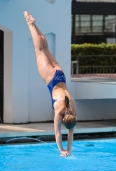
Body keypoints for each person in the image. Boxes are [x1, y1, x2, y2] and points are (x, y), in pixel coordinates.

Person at [24, 11, 77, 157]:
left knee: (45, 49)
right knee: (39, 50)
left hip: (61, 75)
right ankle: (30, 23)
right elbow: (58, 133)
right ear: (64, 119)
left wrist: (69, 150)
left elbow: (71, 134)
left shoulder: (73, 111)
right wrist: (62, 151)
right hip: (51, 79)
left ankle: (34, 24)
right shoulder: (60, 111)